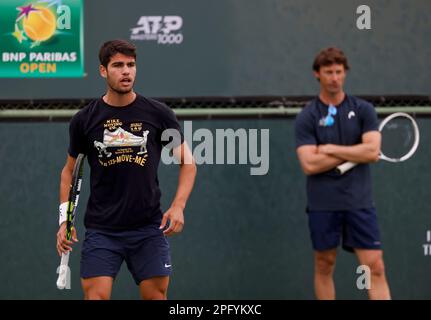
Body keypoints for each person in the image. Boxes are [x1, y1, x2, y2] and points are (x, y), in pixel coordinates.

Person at [56, 39, 197, 300]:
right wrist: (65, 219)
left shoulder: (159, 114)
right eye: (118, 65)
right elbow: (68, 172)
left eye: (131, 65)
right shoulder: (84, 120)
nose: (126, 71)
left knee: (156, 296)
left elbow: (187, 162)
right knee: (95, 297)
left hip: (148, 229)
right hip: (102, 230)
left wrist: (179, 205)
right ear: (103, 70)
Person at [294, 47, 390, 300]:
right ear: (318, 74)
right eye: (328, 72)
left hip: (359, 202)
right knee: (324, 264)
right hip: (323, 203)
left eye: (339, 72)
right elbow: (309, 164)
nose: (334, 77)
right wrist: (354, 151)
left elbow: (372, 151)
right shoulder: (307, 116)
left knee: (375, 266)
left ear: (345, 73)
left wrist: (330, 149)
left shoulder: (364, 110)